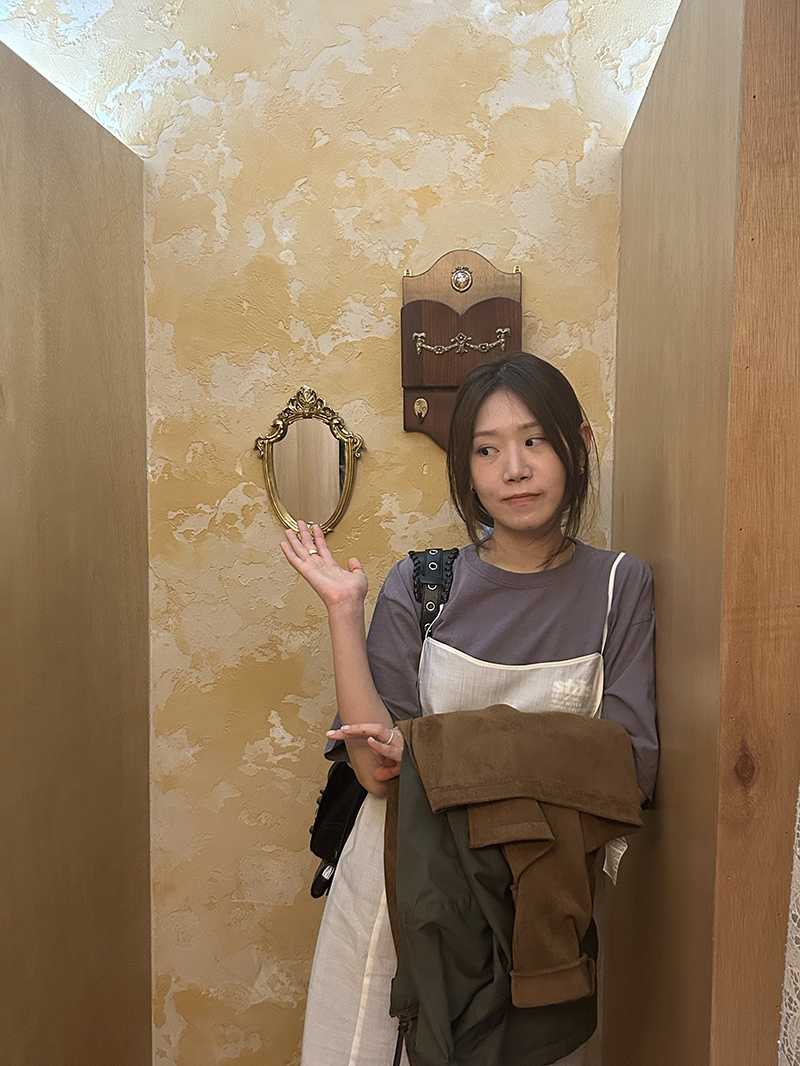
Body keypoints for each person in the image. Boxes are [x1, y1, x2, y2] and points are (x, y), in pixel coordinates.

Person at [281, 352, 657, 1066]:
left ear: (577, 444)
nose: (513, 469)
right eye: (486, 450)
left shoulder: (619, 587)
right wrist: (343, 613)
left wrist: (434, 750)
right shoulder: (422, 584)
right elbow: (378, 773)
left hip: (537, 907)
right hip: (398, 891)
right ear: (467, 469)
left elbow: (629, 767)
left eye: (534, 440)